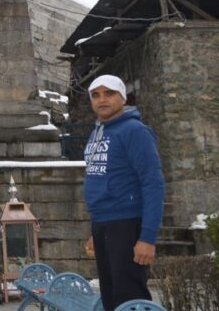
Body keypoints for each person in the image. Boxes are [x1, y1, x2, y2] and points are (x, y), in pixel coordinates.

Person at [83, 75, 165, 311]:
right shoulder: (97, 132)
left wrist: (147, 237)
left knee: (129, 298)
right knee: (111, 298)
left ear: (122, 97)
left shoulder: (135, 131)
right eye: (96, 95)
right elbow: (99, 180)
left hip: (127, 223)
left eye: (109, 93)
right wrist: (94, 229)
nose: (102, 99)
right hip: (103, 224)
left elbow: (153, 183)